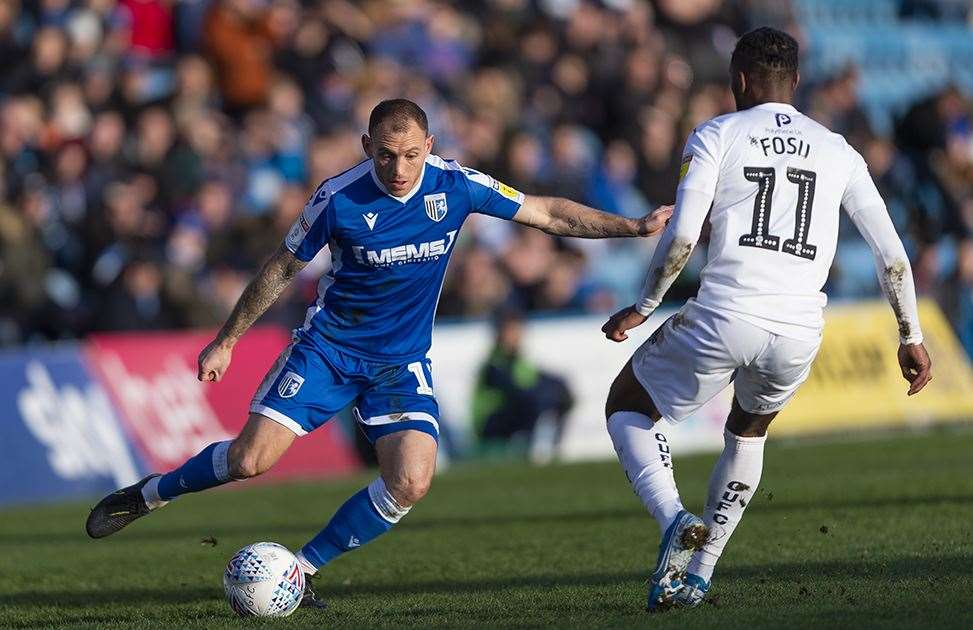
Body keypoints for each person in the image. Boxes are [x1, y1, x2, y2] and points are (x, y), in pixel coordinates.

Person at [85, 99, 673, 608]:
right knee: (248, 463)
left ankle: (302, 569)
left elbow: (545, 212)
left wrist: (632, 226)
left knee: (412, 482)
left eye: (412, 153)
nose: (399, 167)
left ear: (429, 146)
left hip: (401, 361)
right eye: (387, 154)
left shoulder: (455, 184)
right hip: (329, 351)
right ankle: (149, 494)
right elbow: (282, 268)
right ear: (367, 146)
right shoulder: (337, 198)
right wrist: (228, 339)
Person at [600, 28, 932, 611]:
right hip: (801, 326)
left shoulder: (718, 133)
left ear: (739, 82)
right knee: (748, 432)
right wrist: (911, 334)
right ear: (797, 84)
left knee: (627, 403)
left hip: (727, 310)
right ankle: (700, 574)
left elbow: (681, 235)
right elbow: (893, 256)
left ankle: (675, 518)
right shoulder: (837, 148)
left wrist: (644, 305)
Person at [471, 306, 573, 458]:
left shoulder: (520, 361)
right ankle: (528, 449)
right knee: (531, 401)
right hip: (490, 422)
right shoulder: (493, 365)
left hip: (513, 413)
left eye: (518, 330)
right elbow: (515, 389)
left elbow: (539, 379)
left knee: (560, 391)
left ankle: (554, 446)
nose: (516, 336)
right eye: (511, 331)